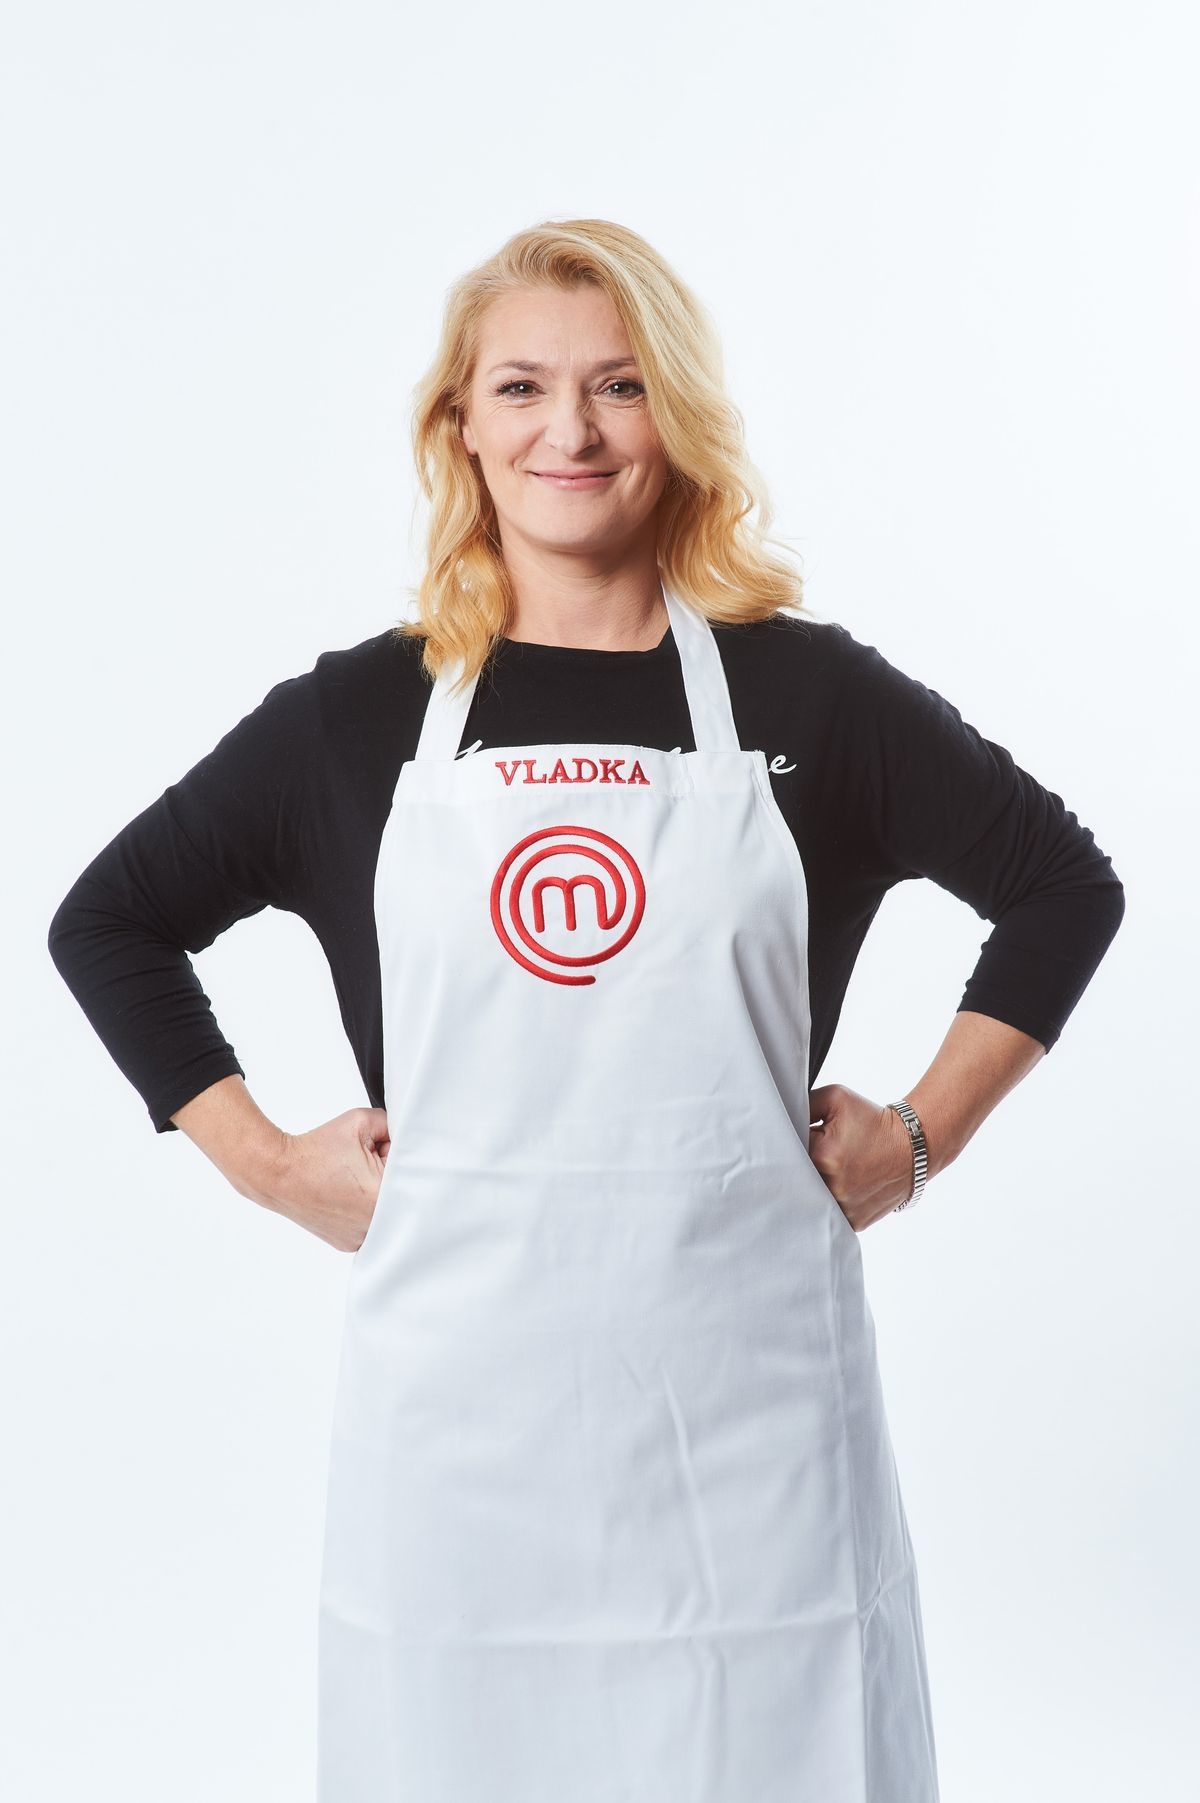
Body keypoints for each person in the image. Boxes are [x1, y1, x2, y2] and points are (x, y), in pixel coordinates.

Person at [48, 218, 1125, 1802]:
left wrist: (919, 1136)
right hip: (460, 1440)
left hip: (751, 1428)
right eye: (524, 387)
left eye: (619, 386)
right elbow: (109, 921)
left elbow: (1061, 884)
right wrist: (266, 1163)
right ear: (462, 425)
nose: (573, 429)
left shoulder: (809, 695)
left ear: (673, 417)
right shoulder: (358, 718)